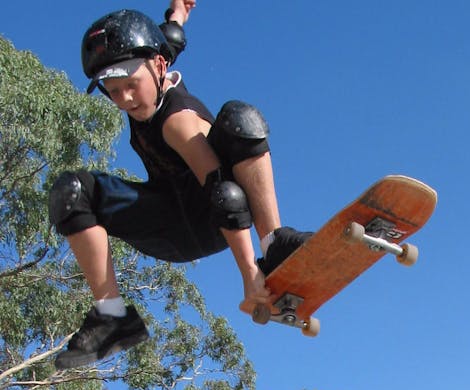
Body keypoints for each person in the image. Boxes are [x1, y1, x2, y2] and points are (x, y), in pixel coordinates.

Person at [49, 1, 311, 369]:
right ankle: (110, 316)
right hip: (168, 221)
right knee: (72, 192)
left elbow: (225, 196)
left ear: (159, 68)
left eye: (130, 86)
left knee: (240, 120)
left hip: (215, 215)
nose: (124, 99)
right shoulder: (153, 64)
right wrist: (178, 15)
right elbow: (168, 39)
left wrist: (251, 277)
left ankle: (274, 246)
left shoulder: (177, 123)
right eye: (112, 90)